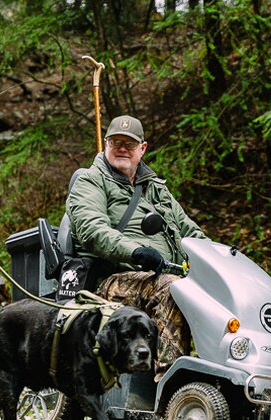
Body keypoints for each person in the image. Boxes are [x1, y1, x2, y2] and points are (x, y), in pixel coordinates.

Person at [66, 115, 208, 382]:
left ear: (142, 149)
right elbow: (92, 229)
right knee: (170, 287)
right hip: (109, 280)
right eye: (116, 142)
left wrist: (220, 258)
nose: (122, 148)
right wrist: (135, 252)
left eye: (129, 144)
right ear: (106, 144)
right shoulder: (90, 180)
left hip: (160, 277)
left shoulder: (156, 189)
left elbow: (190, 231)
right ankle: (169, 383)